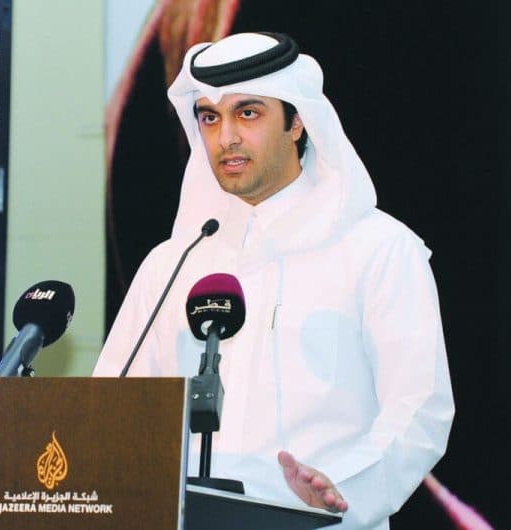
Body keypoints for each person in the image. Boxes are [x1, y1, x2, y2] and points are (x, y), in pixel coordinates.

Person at [93, 32, 454, 529]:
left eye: (248, 113)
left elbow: (420, 411)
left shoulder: (378, 249)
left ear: (297, 121)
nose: (226, 138)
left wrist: (342, 487)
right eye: (209, 118)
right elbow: (113, 409)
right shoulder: (173, 263)